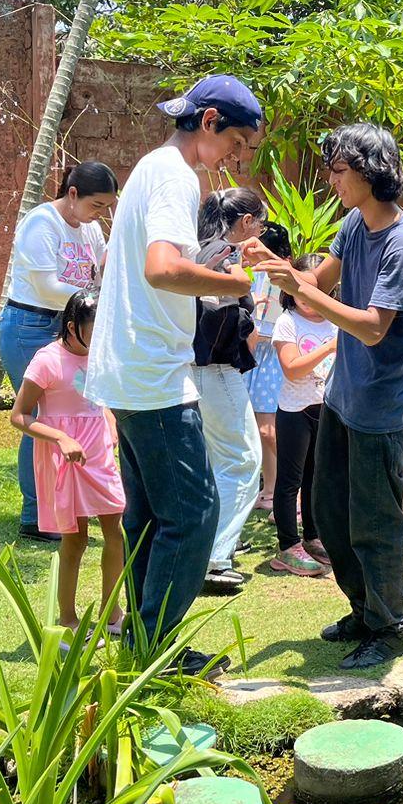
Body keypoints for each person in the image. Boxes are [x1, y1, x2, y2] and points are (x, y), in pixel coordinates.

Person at [84, 75, 264, 675]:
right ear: (209, 122)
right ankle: (156, 650)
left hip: (131, 370)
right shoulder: (174, 175)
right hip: (153, 376)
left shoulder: (150, 168)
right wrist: (235, 284)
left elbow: (135, 265)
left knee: (149, 517)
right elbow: (162, 270)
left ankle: (139, 644)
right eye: (238, 143)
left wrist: (209, 268)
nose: (238, 159)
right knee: (194, 512)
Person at [261, 122, 403, 670]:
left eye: (338, 170)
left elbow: (373, 327)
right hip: (340, 395)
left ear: (369, 172)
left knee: (376, 523)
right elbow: (322, 284)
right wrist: (283, 271)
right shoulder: (355, 223)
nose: (332, 180)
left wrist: (299, 289)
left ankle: (392, 627)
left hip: (379, 407)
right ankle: (364, 610)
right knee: (330, 512)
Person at [0, 161, 118, 540]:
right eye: (96, 205)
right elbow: (48, 286)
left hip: (73, 325)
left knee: (75, 415)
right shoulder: (40, 223)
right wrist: (98, 301)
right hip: (30, 325)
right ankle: (35, 516)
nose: (100, 215)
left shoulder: (92, 229)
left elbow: (100, 273)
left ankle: (73, 506)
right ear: (72, 194)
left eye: (106, 208)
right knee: (36, 418)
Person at [9, 292, 126, 633]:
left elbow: (96, 398)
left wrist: (110, 420)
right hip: (62, 456)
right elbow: (19, 417)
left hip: (98, 452)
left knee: (116, 531)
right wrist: (60, 438)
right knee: (75, 539)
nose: (100, 335)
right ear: (73, 327)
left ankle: (112, 612)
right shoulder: (47, 360)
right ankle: (68, 619)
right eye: (94, 328)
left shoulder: (100, 355)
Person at [192, 187, 269, 595]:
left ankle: (212, 548)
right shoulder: (227, 255)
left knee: (218, 460)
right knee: (243, 460)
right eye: (261, 222)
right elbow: (220, 313)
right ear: (245, 223)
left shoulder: (197, 247)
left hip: (193, 368)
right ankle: (216, 556)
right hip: (217, 367)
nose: (262, 230)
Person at [270, 253, 336, 578]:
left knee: (316, 478)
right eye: (303, 287)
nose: (310, 297)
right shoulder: (287, 322)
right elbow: (293, 370)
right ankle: (287, 546)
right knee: (289, 481)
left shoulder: (333, 319)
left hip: (324, 408)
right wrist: (329, 348)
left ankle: (312, 537)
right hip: (295, 412)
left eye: (317, 288)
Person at [244, 221, 292, 520]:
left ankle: (290, 490)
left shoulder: (282, 274)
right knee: (263, 430)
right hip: (256, 353)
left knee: (269, 429)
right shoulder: (261, 274)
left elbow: (273, 321)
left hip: (272, 354)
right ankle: (272, 488)